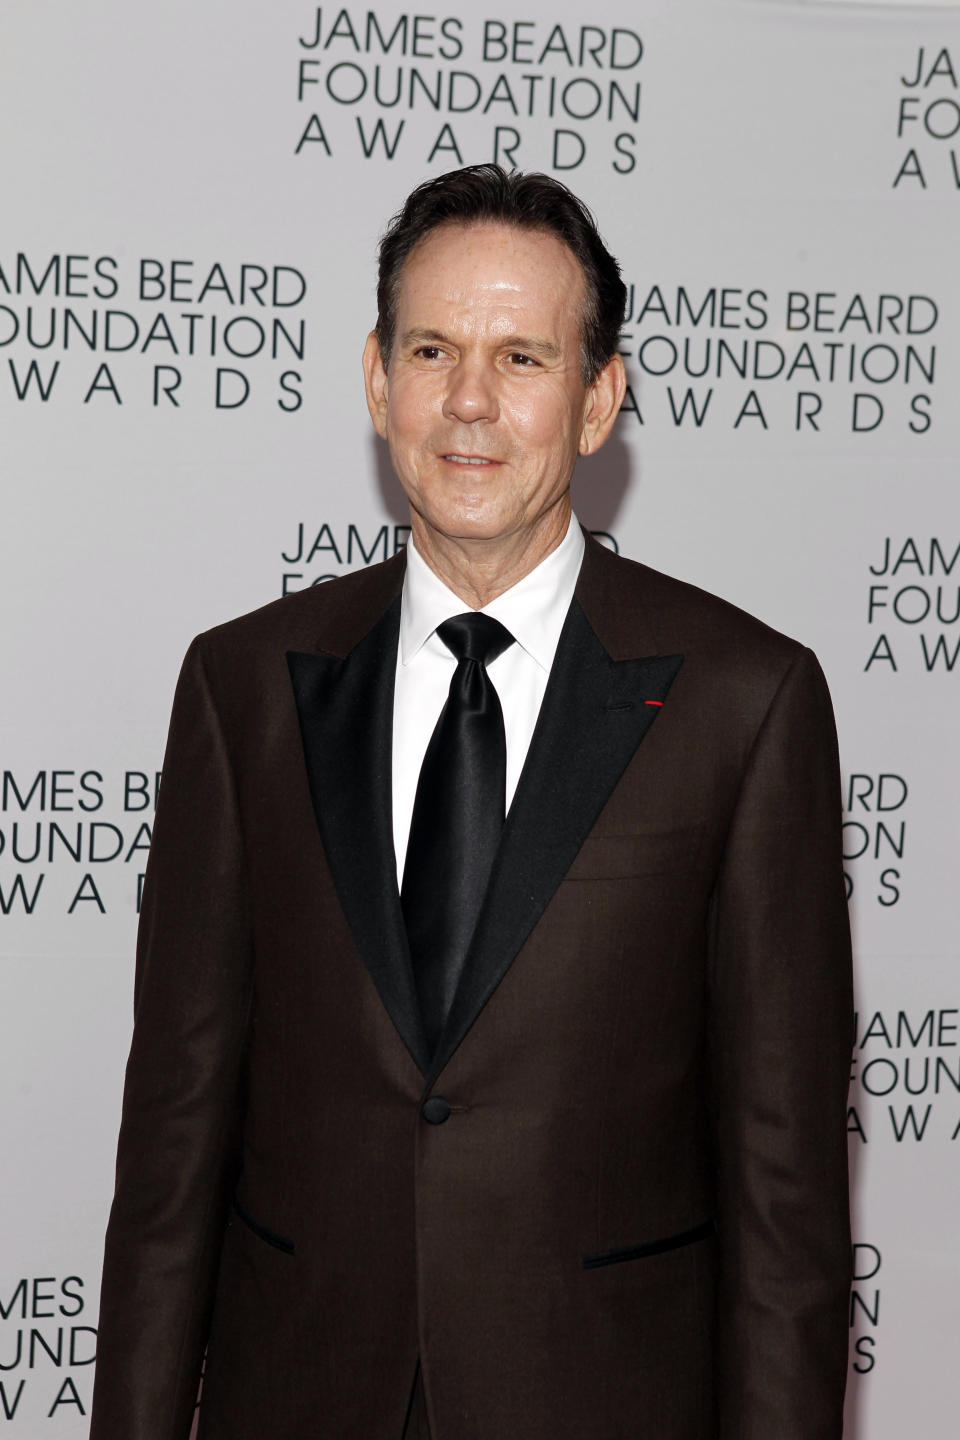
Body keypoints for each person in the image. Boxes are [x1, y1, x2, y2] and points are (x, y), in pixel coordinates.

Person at [90, 164, 853, 1440]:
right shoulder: (242, 688)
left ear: (600, 400)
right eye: (433, 348)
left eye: (523, 358)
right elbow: (170, 1158)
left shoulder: (746, 704)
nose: (470, 404)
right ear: (376, 378)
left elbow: (787, 1214)